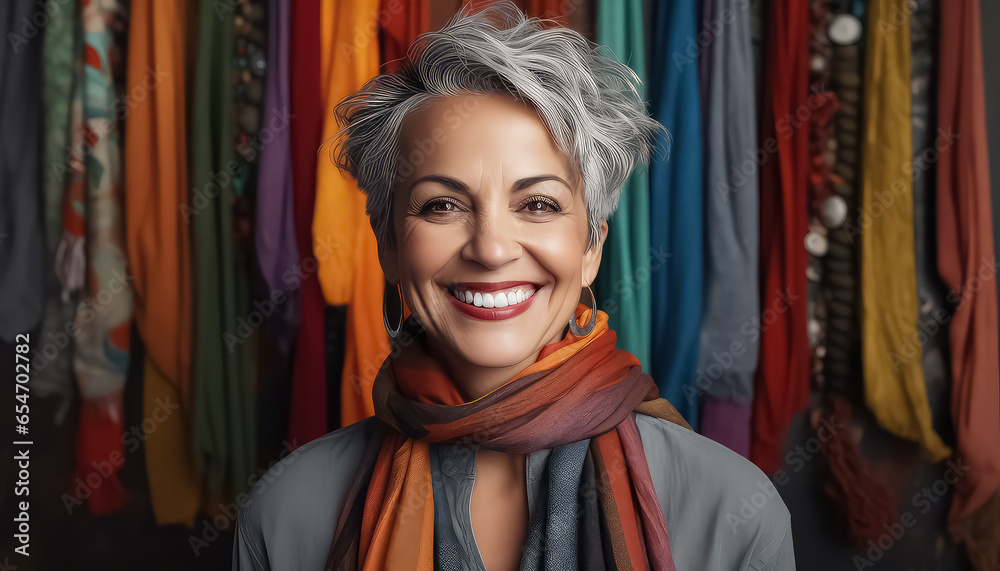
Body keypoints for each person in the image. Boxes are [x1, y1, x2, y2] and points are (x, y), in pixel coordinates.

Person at [233, 4, 794, 570]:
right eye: (443, 204)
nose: (492, 248)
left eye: (539, 204)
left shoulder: (733, 514)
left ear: (591, 247)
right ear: (388, 247)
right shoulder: (287, 515)